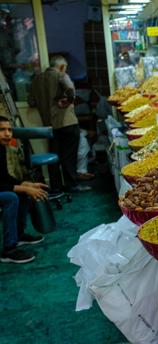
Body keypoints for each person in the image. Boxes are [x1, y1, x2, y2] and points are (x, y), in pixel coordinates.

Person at [28, 55, 91, 192]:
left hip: (49, 126)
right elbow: (71, 90)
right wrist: (68, 101)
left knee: (55, 157)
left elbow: (31, 102)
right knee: (69, 156)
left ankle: (56, 187)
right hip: (67, 123)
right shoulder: (61, 75)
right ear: (62, 67)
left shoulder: (37, 79)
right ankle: (72, 185)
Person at [0, 115, 47, 264]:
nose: (7, 133)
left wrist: (26, 184)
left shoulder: (1, 148)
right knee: (11, 197)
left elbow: (3, 178)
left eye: (9, 130)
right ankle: (8, 249)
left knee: (20, 193)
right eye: (2, 130)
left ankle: (18, 235)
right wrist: (24, 188)